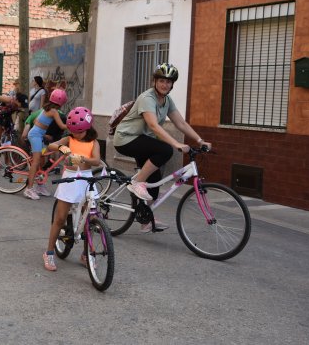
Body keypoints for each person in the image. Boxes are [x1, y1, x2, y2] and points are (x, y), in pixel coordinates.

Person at [113, 63, 212, 232]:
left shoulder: (166, 100)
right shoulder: (147, 98)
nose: (164, 84)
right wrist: (176, 144)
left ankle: (145, 219)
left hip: (143, 141)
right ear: (154, 81)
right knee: (165, 150)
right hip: (126, 139)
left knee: (154, 182)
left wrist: (199, 139)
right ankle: (136, 182)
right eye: (161, 81)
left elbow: (180, 122)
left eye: (168, 81)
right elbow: (153, 125)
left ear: (172, 84)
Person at [42, 106, 101, 271]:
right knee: (59, 219)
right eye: (73, 131)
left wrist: (83, 158)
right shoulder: (69, 139)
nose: (76, 134)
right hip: (69, 179)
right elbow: (52, 146)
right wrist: (64, 149)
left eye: (80, 132)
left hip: (87, 180)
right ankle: (49, 252)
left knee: (89, 220)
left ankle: (86, 254)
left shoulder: (93, 142)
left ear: (88, 128)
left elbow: (96, 160)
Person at [24, 88, 68, 200]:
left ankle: (39, 185)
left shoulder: (47, 108)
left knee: (42, 160)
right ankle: (29, 189)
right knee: (36, 161)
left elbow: (35, 121)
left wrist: (42, 131)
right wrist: (75, 125)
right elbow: (62, 126)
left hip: (39, 135)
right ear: (62, 102)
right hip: (35, 136)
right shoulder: (54, 111)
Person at [0, 81, 29, 151]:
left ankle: (7, 160)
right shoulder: (9, 99)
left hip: (7, 118)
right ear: (17, 100)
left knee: (8, 140)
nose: (22, 107)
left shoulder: (18, 105)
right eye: (21, 104)